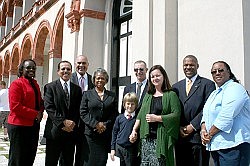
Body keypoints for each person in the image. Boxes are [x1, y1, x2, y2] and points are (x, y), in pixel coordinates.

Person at [200, 61, 250, 166]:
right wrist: (203, 130)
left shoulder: (235, 88)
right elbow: (205, 114)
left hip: (233, 146)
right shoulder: (215, 93)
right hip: (217, 145)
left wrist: (209, 134)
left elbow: (226, 116)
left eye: (220, 70)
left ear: (228, 72)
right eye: (213, 72)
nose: (217, 73)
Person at [130, 65, 181, 166]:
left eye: (158, 75)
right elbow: (140, 115)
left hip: (161, 139)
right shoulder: (148, 96)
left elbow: (176, 115)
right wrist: (134, 130)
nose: (155, 78)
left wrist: (157, 118)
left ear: (164, 77)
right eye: (152, 77)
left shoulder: (171, 95)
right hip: (146, 140)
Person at [172, 55, 215, 166]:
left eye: (191, 64)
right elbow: (173, 110)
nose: (188, 67)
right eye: (185, 65)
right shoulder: (175, 87)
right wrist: (178, 127)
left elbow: (207, 109)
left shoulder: (208, 85)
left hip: (198, 137)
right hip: (181, 138)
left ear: (197, 66)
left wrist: (192, 126)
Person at [43, 60, 82, 166]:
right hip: (55, 131)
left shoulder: (77, 89)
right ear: (58, 71)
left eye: (68, 69)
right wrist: (63, 122)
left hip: (71, 132)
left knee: (67, 162)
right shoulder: (50, 87)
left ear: (71, 71)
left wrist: (72, 123)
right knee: (51, 162)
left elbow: (78, 109)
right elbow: (49, 107)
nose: (66, 71)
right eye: (63, 69)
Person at [7, 59, 44, 166]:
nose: (31, 69)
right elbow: (15, 106)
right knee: (17, 158)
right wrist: (35, 114)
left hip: (33, 125)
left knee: (30, 156)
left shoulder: (35, 84)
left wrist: (41, 111)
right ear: (22, 69)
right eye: (28, 67)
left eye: (33, 67)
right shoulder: (17, 84)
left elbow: (39, 101)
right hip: (19, 125)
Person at [80, 67, 119, 166]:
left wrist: (105, 125)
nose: (100, 80)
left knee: (101, 162)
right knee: (89, 162)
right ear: (94, 80)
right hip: (90, 135)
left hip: (105, 135)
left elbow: (114, 114)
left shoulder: (112, 95)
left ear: (106, 80)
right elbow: (83, 112)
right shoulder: (87, 94)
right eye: (98, 78)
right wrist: (96, 124)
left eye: (102, 78)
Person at [70, 55, 94, 166]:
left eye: (84, 63)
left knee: (82, 151)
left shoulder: (92, 80)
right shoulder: (69, 78)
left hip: (86, 123)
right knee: (68, 152)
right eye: (79, 63)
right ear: (75, 64)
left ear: (88, 65)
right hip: (71, 121)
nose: (81, 65)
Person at [110, 92, 139, 166]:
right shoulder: (119, 118)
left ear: (136, 105)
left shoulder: (137, 119)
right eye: (128, 104)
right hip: (119, 148)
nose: (130, 106)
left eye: (132, 104)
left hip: (130, 150)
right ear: (124, 105)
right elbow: (114, 133)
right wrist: (113, 149)